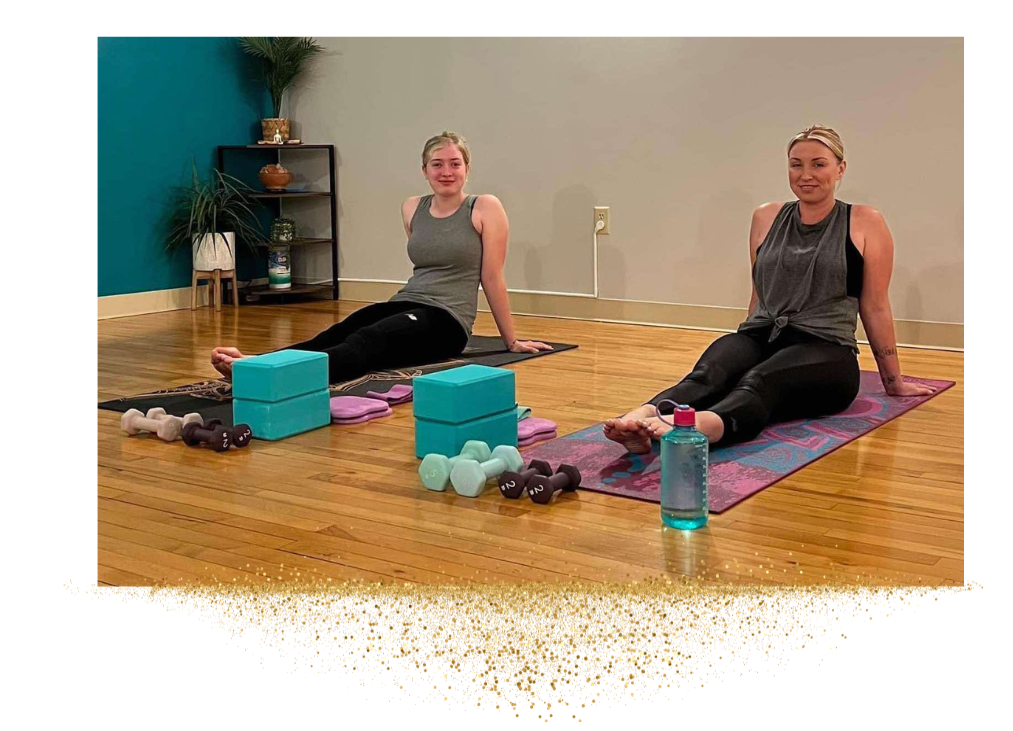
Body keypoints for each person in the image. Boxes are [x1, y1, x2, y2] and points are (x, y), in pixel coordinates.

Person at [604, 124, 935, 454]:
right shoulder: (766, 216)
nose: (806, 174)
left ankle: (699, 428)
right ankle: (640, 418)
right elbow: (760, 292)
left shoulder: (865, 221)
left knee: (760, 380)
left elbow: (875, 306)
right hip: (762, 334)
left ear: (840, 169)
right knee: (708, 375)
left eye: (818, 164)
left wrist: (893, 382)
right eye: (796, 164)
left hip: (826, 348)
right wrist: (742, 347)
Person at [210, 131, 551, 383]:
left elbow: (492, 277)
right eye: (437, 164)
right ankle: (258, 364)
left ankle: (274, 376)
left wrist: (511, 341)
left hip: (447, 321)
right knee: (339, 332)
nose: (446, 172)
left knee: (368, 341)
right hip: (405, 302)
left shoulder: (485, 207)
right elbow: (426, 266)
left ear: (467, 169)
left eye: (454, 164)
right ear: (424, 170)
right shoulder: (412, 207)